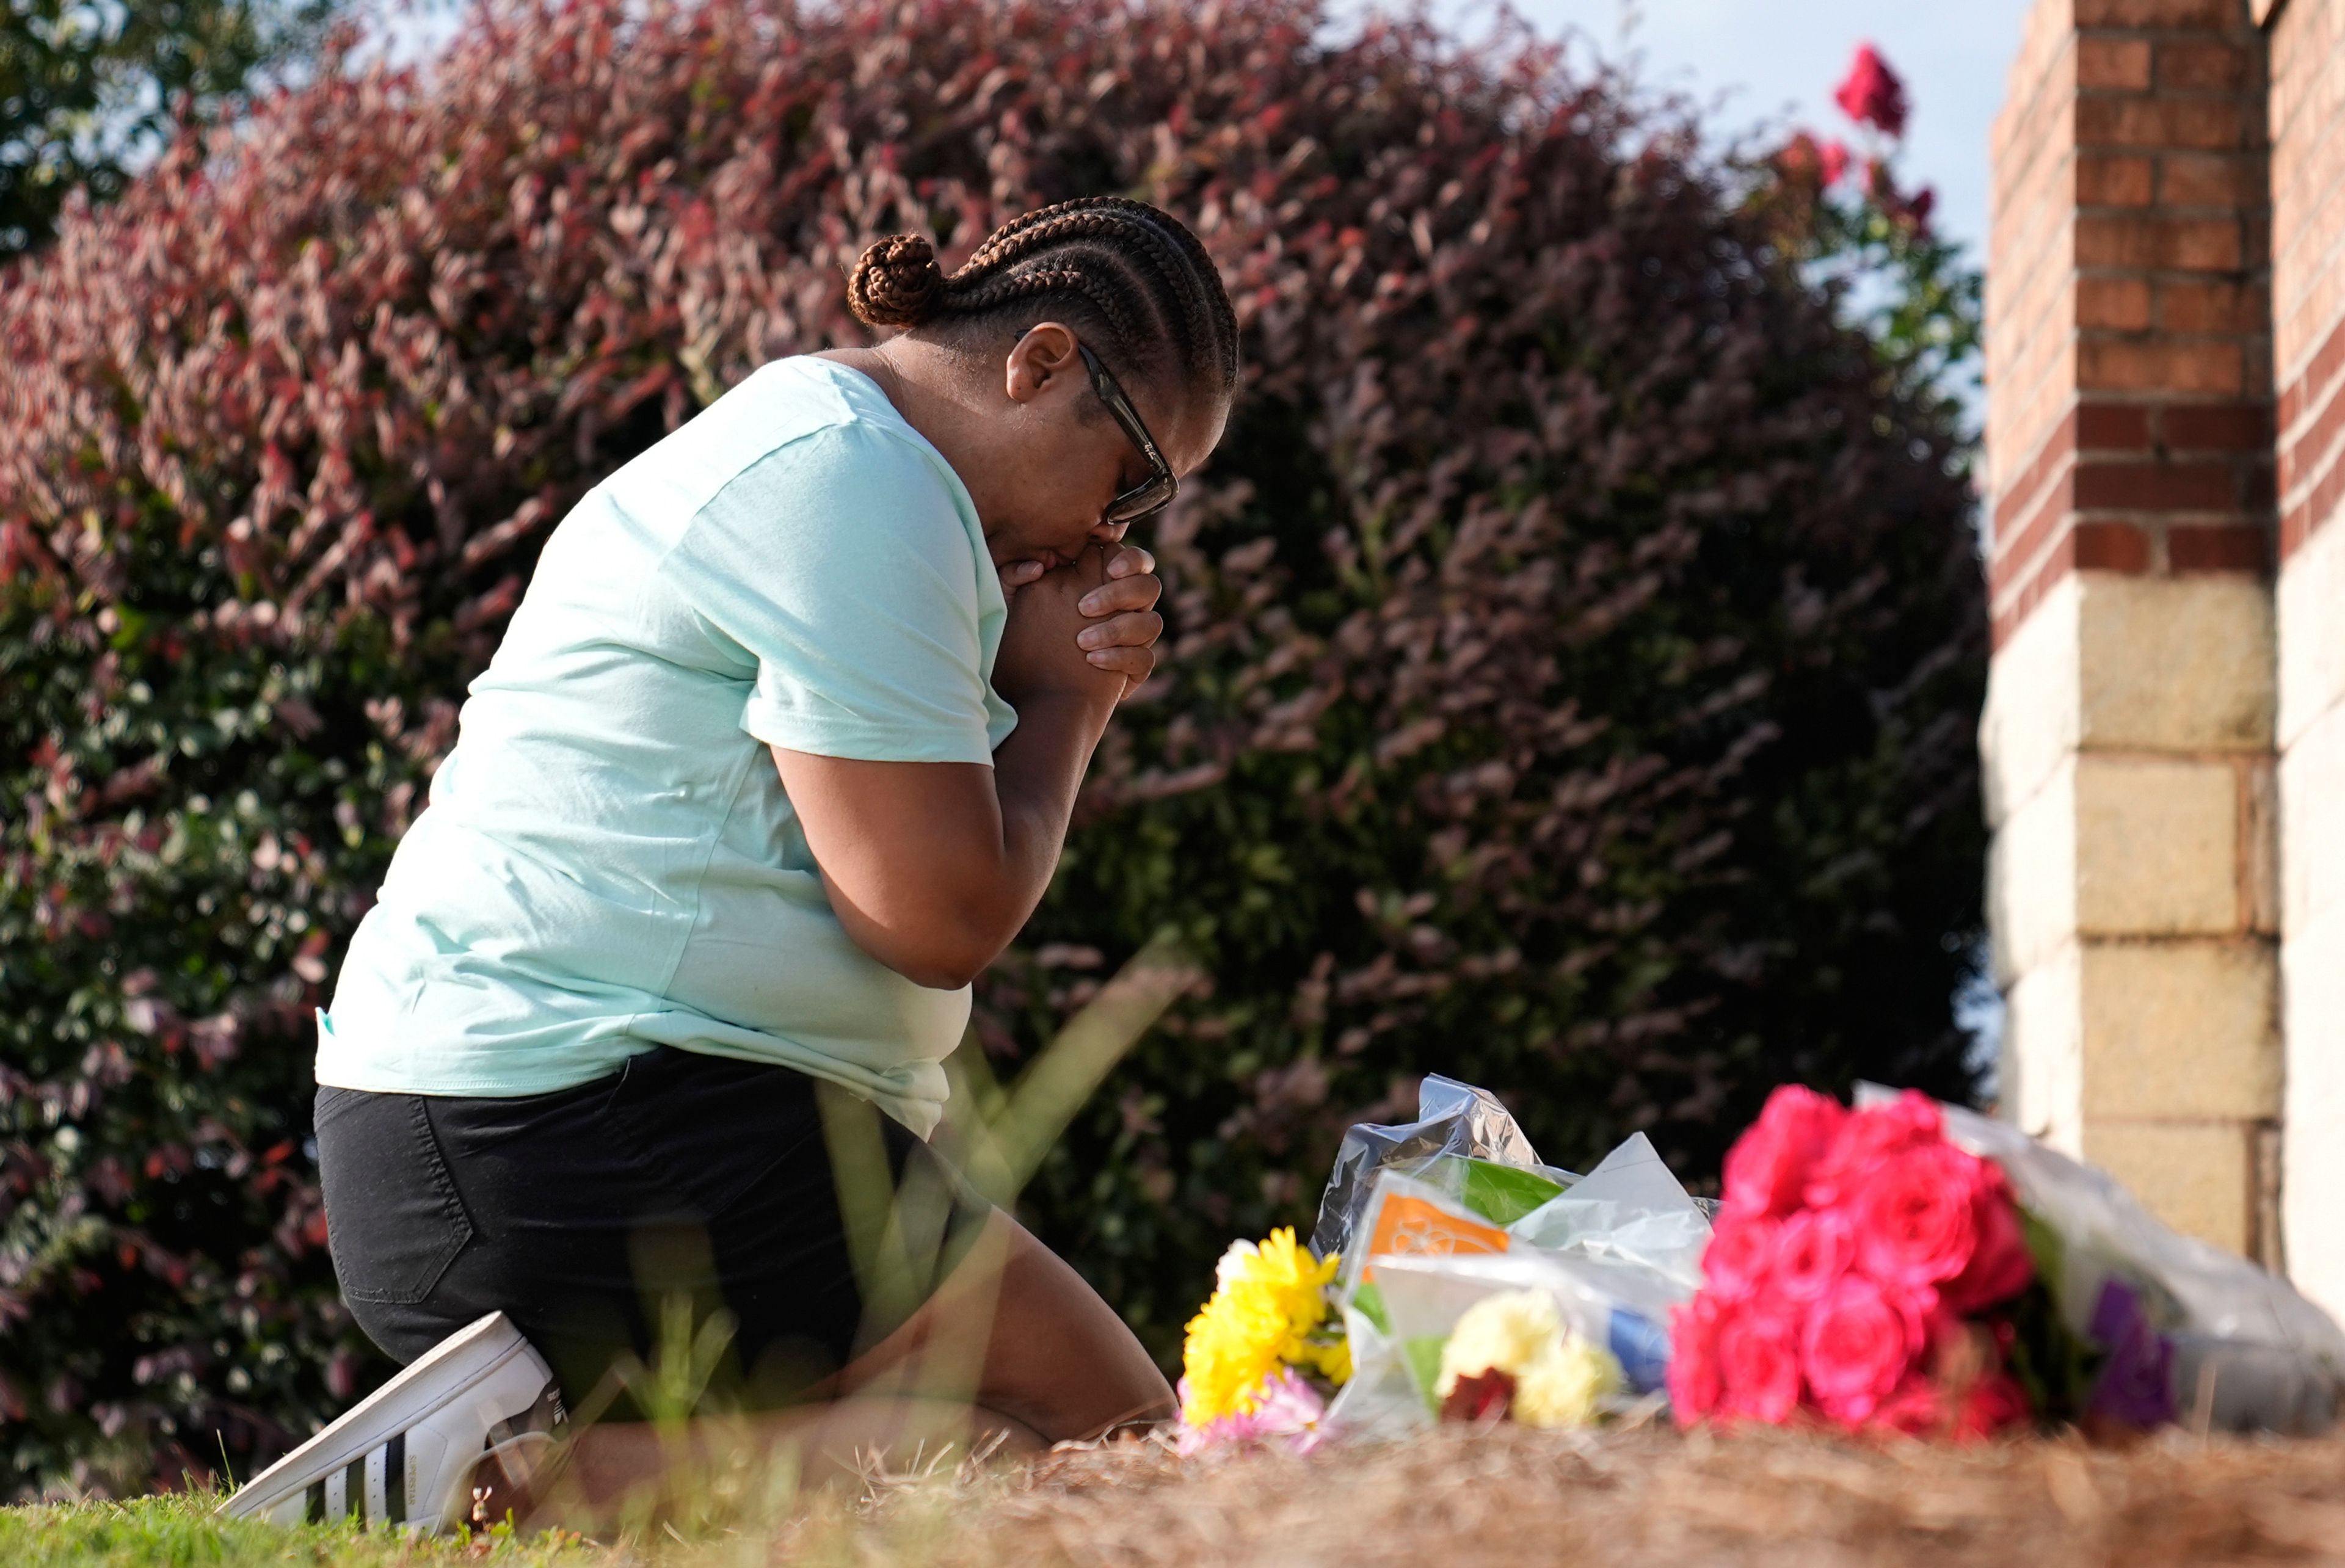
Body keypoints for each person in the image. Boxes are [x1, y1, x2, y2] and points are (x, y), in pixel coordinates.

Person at [219, 197, 1241, 1533]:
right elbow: (935, 920)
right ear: (1039, 365)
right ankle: (494, 1501)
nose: (1119, 534)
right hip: (580, 1121)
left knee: (989, 1457)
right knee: (1112, 1439)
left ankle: (495, 1492)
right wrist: (1068, 706)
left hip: (493, 1137)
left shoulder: (832, 459)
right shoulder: (859, 483)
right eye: (1135, 477)